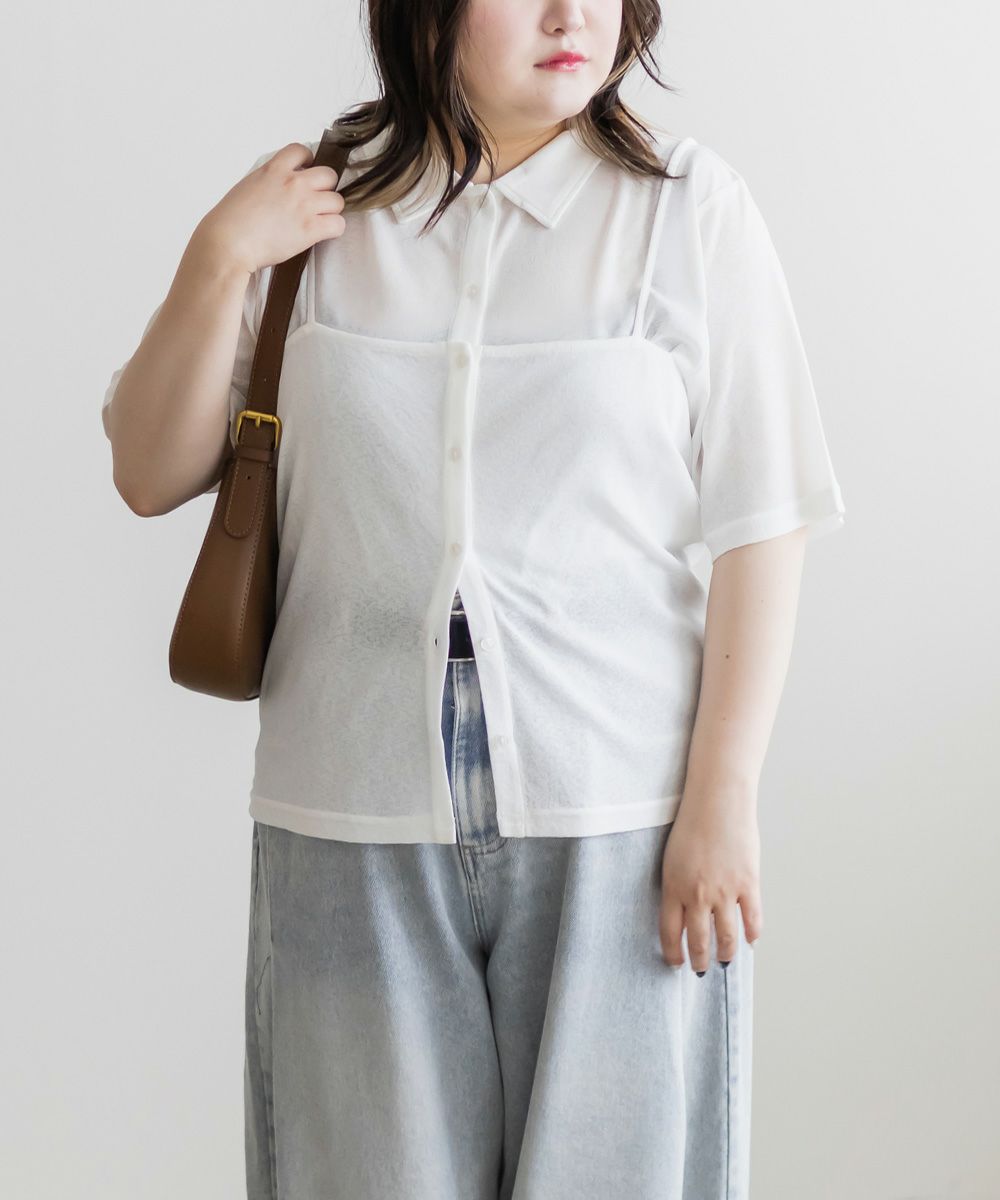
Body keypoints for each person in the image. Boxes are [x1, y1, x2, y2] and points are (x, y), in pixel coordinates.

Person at [101, 2, 846, 1196]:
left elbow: (765, 522)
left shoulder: (685, 210)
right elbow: (148, 471)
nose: (571, 15)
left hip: (622, 825)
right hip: (347, 821)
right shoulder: (317, 211)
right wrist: (218, 256)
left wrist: (722, 800)